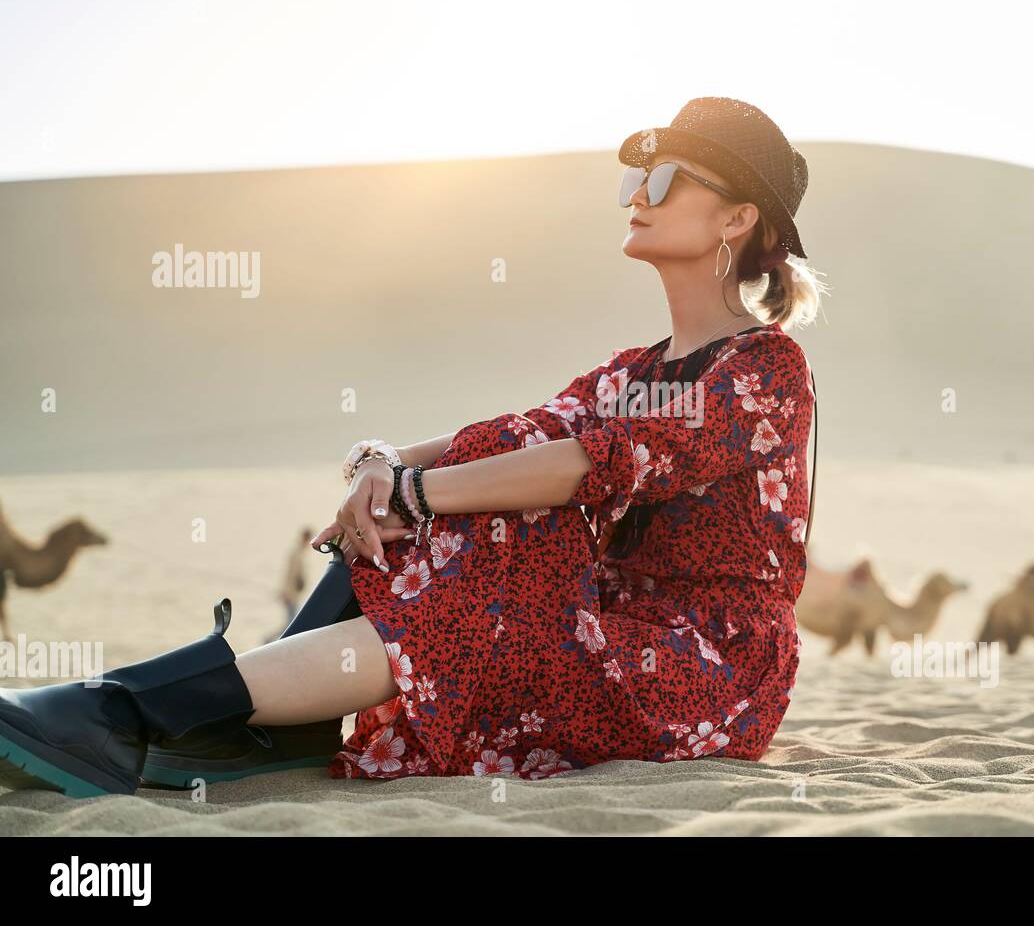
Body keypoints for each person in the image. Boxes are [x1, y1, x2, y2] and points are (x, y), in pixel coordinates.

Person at [0, 98, 829, 797]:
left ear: (737, 216)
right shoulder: (632, 371)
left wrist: (417, 492)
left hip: (706, 667)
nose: (634, 198)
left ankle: (133, 711)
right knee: (487, 473)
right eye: (631, 180)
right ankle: (216, 714)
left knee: (482, 548)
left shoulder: (767, 369)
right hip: (611, 628)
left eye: (662, 180)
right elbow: (530, 434)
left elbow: (592, 463)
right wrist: (382, 466)